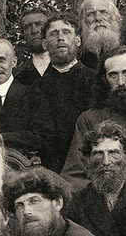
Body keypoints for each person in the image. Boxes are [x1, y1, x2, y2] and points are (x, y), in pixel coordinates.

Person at [60, 46, 126, 190]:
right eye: (113, 75)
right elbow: (74, 176)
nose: (121, 82)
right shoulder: (89, 119)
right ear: (105, 79)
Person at [64, 120, 126, 236]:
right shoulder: (75, 205)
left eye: (113, 153)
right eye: (98, 154)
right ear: (89, 159)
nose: (106, 162)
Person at [36, 13, 97, 172]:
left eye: (66, 32)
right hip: (51, 166)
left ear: (78, 40)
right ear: (45, 44)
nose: (60, 38)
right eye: (54, 34)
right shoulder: (36, 88)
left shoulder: (95, 81)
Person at [0, 38, 48, 158]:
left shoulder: (32, 96)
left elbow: (43, 137)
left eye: (1, 60)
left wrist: (2, 138)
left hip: (20, 163)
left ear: (14, 62)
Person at [77, 0, 122, 69]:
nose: (98, 18)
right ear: (83, 21)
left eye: (104, 12)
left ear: (114, 16)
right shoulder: (77, 54)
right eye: (91, 14)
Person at [15, 6, 50, 86]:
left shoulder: (66, 66)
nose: (34, 31)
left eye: (39, 24)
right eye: (27, 27)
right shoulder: (19, 76)